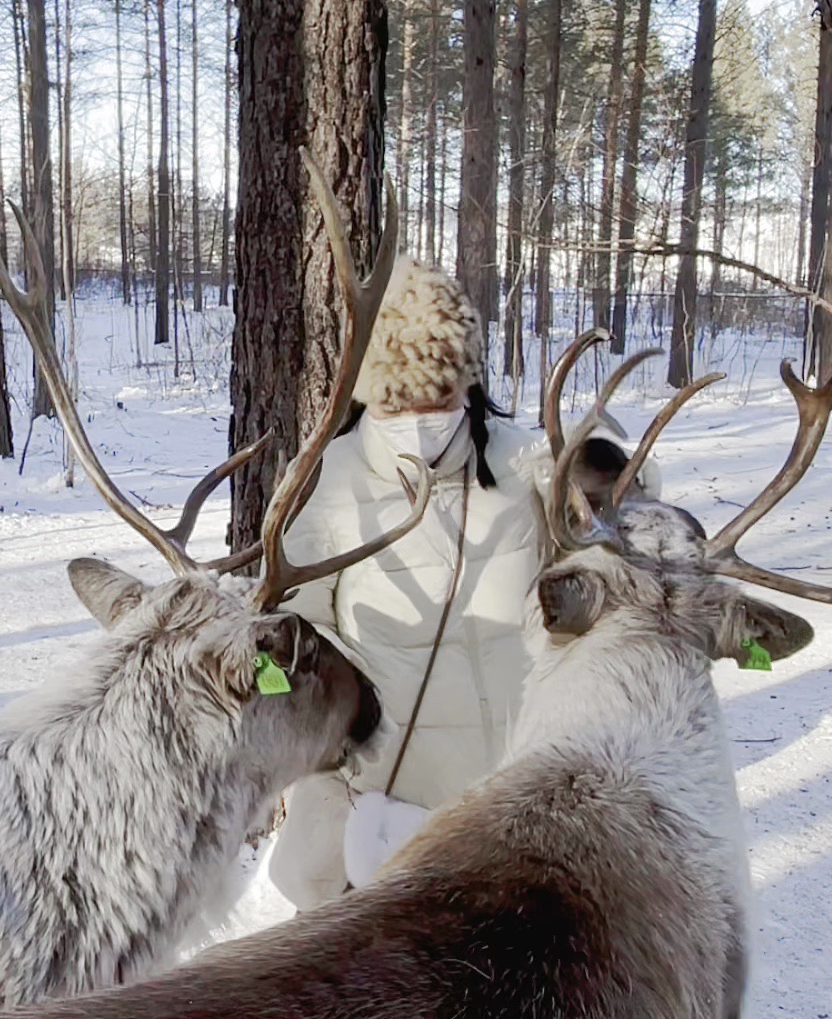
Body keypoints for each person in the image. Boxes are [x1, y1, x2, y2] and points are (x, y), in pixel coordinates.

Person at [267, 256, 654, 910]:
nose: (422, 417)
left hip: (515, 804)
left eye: (439, 399)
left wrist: (607, 487)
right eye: (401, 401)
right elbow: (297, 640)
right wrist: (333, 788)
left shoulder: (525, 461)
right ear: (371, 394)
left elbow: (607, 560)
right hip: (382, 813)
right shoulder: (323, 481)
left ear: (465, 387)